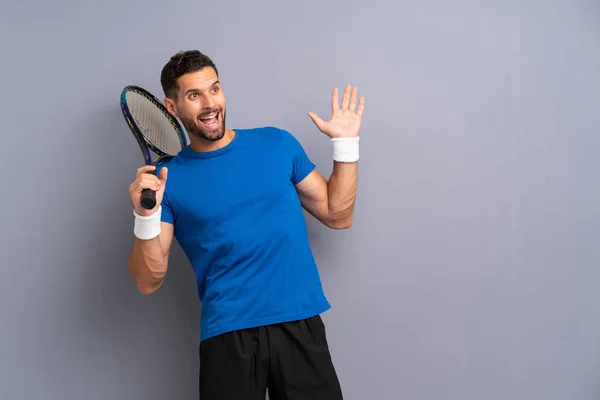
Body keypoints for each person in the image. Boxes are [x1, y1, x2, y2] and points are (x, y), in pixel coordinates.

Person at [127, 50, 364, 400]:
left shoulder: (276, 143)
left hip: (298, 321)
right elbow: (148, 281)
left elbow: (337, 214)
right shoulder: (167, 180)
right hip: (228, 336)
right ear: (172, 107)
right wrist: (145, 217)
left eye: (215, 89)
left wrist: (345, 145)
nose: (210, 104)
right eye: (194, 95)